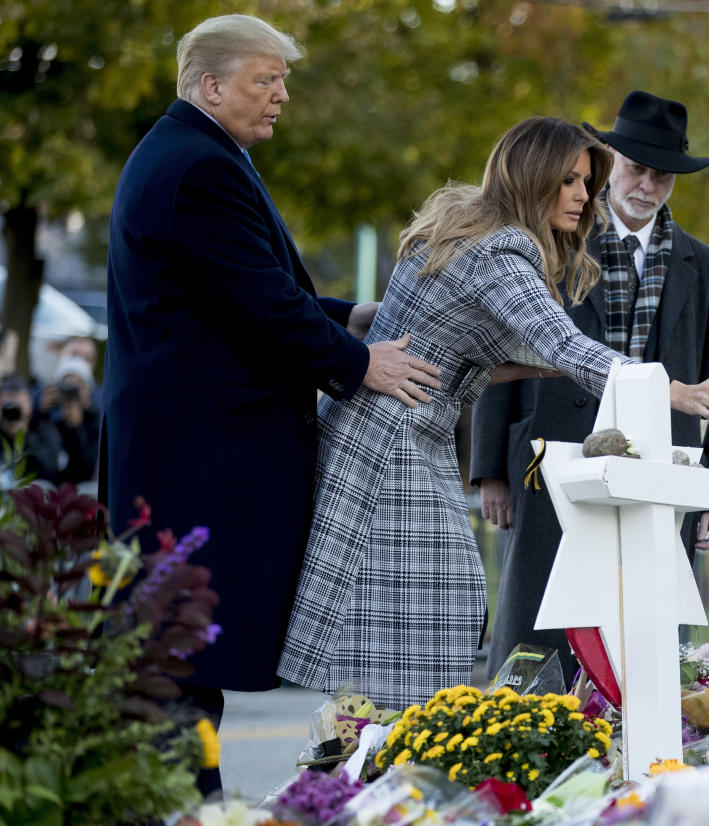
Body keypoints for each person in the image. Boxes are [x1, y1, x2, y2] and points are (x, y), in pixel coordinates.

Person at [278, 116, 709, 710]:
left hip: (398, 435)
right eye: (570, 181)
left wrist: (542, 367)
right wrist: (670, 391)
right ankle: (382, 773)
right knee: (425, 620)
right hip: (389, 447)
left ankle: (377, 766)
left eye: (586, 182)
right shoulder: (499, 251)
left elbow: (465, 356)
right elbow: (564, 344)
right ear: (533, 176)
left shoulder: (473, 229)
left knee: (406, 625)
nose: (583, 196)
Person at [102, 13, 441, 765]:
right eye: (267, 79)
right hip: (198, 465)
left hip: (185, 457)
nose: (282, 94)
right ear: (211, 85)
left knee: (180, 662)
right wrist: (361, 363)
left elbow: (247, 295)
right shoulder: (200, 168)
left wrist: (353, 315)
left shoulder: (194, 153)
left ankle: (179, 817)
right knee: (177, 662)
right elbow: (262, 308)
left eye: (283, 78)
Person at [470, 91, 709, 685]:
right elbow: (498, 347)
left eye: (662, 176)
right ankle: (528, 731)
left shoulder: (703, 263)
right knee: (538, 613)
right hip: (551, 451)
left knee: (648, 615)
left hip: (662, 461)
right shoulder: (552, 238)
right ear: (611, 161)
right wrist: (490, 468)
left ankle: (638, 745)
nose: (648, 185)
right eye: (638, 169)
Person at [38, 355, 101, 484]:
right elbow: (42, 468)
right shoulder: (50, 419)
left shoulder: (96, 420)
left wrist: (76, 426)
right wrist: (41, 416)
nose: (71, 392)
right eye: (67, 386)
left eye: (78, 386)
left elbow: (86, 470)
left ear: (89, 391)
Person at [0, 375, 62, 483]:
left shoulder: (43, 428)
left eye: (18, 400)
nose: (13, 408)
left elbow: (50, 472)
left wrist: (24, 435)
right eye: (9, 399)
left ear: (30, 404)